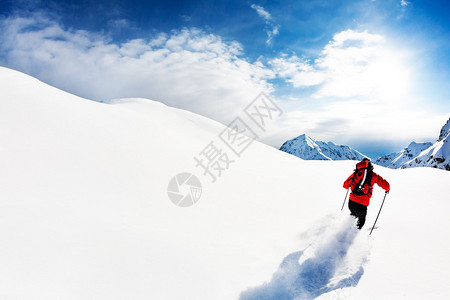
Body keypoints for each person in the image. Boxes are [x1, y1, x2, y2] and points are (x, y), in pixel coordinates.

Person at [343, 158, 390, 229]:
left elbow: (345, 185)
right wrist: (387, 188)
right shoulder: (373, 175)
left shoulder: (355, 174)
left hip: (351, 202)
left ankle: (346, 229)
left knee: (353, 214)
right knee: (361, 221)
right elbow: (383, 183)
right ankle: (353, 235)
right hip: (362, 204)